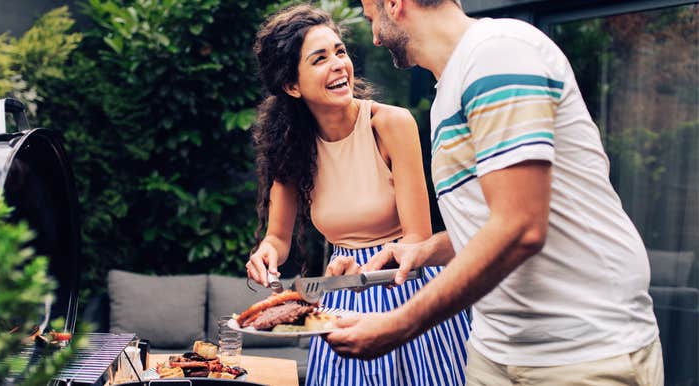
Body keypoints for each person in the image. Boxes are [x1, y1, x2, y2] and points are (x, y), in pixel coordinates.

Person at [324, 0, 665, 384]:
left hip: (581, 353)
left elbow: (520, 228)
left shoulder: (497, 55)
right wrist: (426, 251)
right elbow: (497, 221)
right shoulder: (449, 92)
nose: (375, 37)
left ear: (394, 4)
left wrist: (399, 324)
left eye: (372, 20)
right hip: (495, 351)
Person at [245, 4, 469, 386]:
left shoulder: (391, 124)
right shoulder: (290, 144)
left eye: (340, 52)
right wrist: (266, 254)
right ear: (292, 86)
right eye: (320, 59)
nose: (338, 65)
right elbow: (277, 238)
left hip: (404, 284)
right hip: (342, 291)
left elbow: (416, 239)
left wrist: (366, 271)